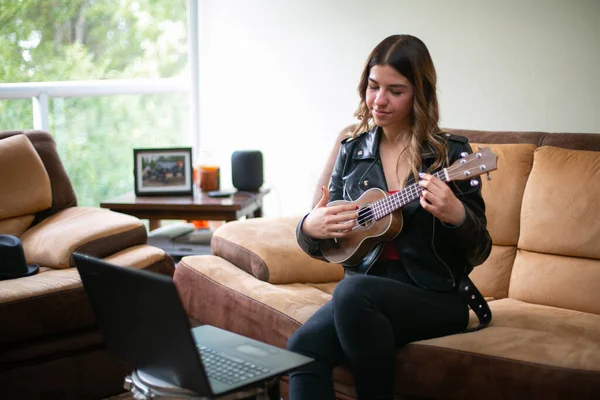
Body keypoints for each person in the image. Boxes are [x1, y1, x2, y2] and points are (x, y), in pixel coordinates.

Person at [287, 34, 492, 400]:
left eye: (395, 91)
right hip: (365, 292)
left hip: (435, 294)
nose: (379, 100)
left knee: (351, 291)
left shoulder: (452, 155)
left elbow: (480, 251)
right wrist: (309, 228)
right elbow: (332, 245)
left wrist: (457, 215)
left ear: (419, 94)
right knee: (302, 350)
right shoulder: (352, 152)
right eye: (373, 86)